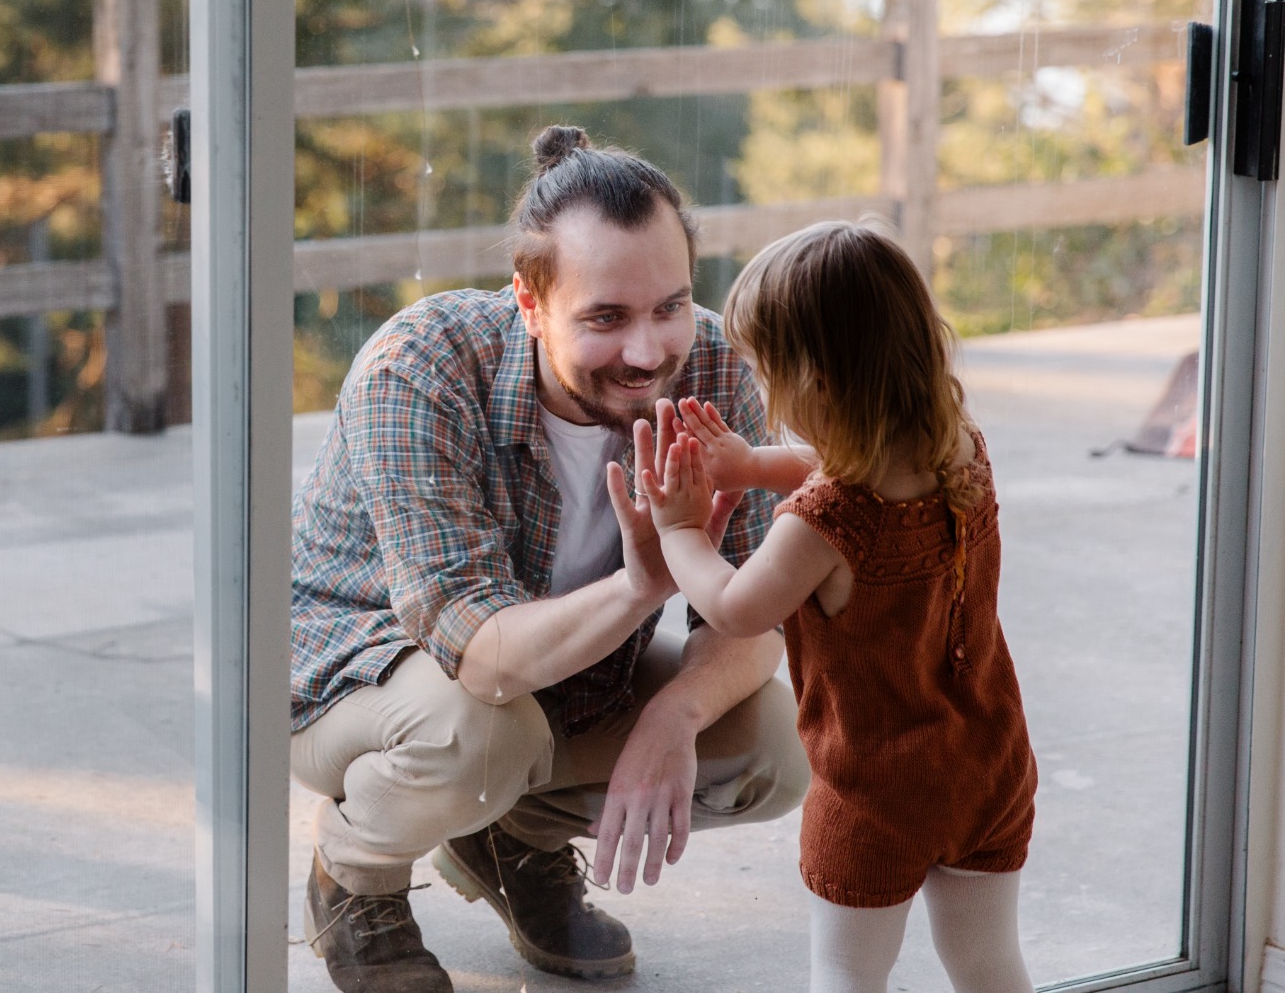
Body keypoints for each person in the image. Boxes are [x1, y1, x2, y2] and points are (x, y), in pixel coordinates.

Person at [290, 125, 810, 993]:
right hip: (353, 678)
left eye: (669, 306)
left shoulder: (714, 361)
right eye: (606, 317)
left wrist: (673, 717)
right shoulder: (418, 367)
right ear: (530, 302)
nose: (648, 354)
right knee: (487, 732)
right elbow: (486, 657)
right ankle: (356, 876)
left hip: (554, 679)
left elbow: (756, 612)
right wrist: (643, 584)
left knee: (772, 747)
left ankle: (510, 843)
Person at [639, 220, 1038, 993]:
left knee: (846, 975)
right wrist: (755, 465)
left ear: (814, 381)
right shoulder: (959, 445)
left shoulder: (822, 526)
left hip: (876, 794)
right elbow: (858, 457)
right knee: (987, 963)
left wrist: (679, 529)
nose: (760, 391)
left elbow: (733, 608)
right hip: (988, 765)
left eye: (765, 372)